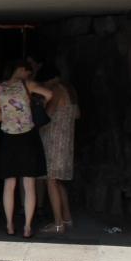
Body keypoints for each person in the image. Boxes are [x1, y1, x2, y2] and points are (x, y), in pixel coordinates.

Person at [0, 60, 54, 239]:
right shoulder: (28, 85)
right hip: (28, 136)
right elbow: (50, 94)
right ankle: (27, 227)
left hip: (8, 137)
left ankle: (9, 225)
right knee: (29, 184)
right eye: (28, 71)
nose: (29, 74)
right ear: (21, 69)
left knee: (9, 184)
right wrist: (37, 109)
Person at [38, 71, 80, 236]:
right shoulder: (70, 90)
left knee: (51, 180)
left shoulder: (56, 90)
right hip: (66, 140)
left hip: (54, 140)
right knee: (58, 181)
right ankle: (67, 218)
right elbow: (77, 114)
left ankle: (57, 224)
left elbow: (47, 114)